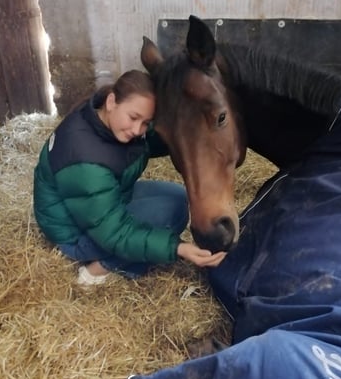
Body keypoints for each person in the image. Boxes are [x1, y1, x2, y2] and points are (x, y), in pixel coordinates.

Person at [33, 70, 226, 285]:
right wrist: (177, 248)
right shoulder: (84, 158)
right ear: (112, 101)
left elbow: (148, 138)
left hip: (96, 208)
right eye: (134, 118)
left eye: (145, 122)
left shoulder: (103, 118)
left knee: (179, 197)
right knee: (170, 215)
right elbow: (114, 233)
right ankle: (99, 268)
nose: (137, 129)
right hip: (74, 233)